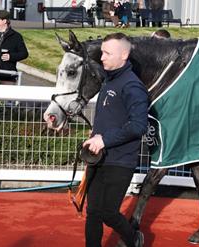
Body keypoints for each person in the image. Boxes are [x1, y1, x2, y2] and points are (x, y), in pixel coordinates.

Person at [83, 32, 148, 247]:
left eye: (107, 53)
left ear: (124, 55)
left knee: (108, 213)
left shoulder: (133, 86)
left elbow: (138, 126)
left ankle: (134, 239)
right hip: (98, 158)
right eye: (102, 52)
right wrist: (94, 136)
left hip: (120, 161)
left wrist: (104, 139)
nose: (102, 57)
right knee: (92, 211)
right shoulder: (108, 81)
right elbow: (110, 118)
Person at [0, 10, 28, 84]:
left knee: (7, 95)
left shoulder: (16, 36)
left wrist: (11, 56)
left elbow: (24, 53)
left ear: (4, 21)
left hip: (7, 76)